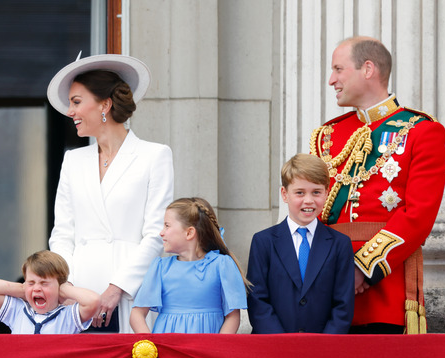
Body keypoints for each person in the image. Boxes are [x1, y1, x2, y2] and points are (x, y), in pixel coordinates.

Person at [310, 36, 445, 334]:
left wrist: (363, 268)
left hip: (385, 285)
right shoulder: (327, 136)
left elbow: (418, 215)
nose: (331, 79)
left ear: (368, 69)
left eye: (338, 69)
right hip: (326, 280)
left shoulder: (421, 131)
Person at [46, 53, 174, 333]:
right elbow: (62, 234)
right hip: (77, 298)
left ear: (105, 104)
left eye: (77, 102)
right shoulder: (73, 161)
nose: (70, 112)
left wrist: (118, 288)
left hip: (130, 294)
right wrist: (67, 288)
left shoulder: (154, 156)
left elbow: (155, 234)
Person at [246, 154, 355, 334]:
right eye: (300, 192)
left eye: (316, 192)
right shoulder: (263, 242)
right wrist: (282, 343)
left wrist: (324, 344)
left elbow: (343, 304)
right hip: (274, 346)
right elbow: (257, 300)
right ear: (284, 194)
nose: (309, 200)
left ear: (327, 193)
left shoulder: (340, 244)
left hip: (323, 348)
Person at [130, 198, 248, 334]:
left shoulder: (222, 265)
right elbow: (136, 314)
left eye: (167, 226)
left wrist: (216, 349)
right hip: (168, 350)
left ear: (189, 233)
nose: (161, 232)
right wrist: (151, 346)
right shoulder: (160, 267)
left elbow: (232, 317)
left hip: (207, 350)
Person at [0, 250, 100, 334]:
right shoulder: (17, 311)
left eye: (44, 283)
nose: (37, 288)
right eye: (31, 282)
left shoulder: (67, 317)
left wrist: (64, 290)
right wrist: (22, 290)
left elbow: (93, 301)